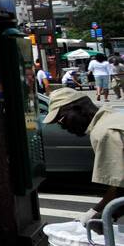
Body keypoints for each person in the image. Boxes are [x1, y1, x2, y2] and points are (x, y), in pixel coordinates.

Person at [43, 87, 124, 224]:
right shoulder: (113, 116)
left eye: (62, 119)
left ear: (79, 109)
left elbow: (120, 187)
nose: (63, 127)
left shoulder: (103, 132)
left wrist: (96, 214)